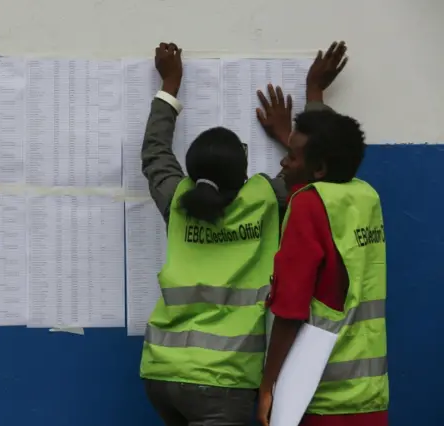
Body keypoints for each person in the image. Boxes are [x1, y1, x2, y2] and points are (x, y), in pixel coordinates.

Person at [136, 40, 346, 426]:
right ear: (242, 172)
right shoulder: (265, 197)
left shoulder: (176, 198)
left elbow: (154, 153)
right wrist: (311, 99)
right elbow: (318, 166)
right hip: (222, 381)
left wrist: (170, 82)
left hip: (161, 373)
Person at [255, 44, 389, 426]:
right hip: (369, 396)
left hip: (317, 395)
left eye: (291, 155)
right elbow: (326, 162)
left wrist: (269, 385)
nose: (284, 159)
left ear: (317, 168)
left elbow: (291, 309)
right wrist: (314, 96)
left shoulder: (307, 206)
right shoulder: (366, 197)